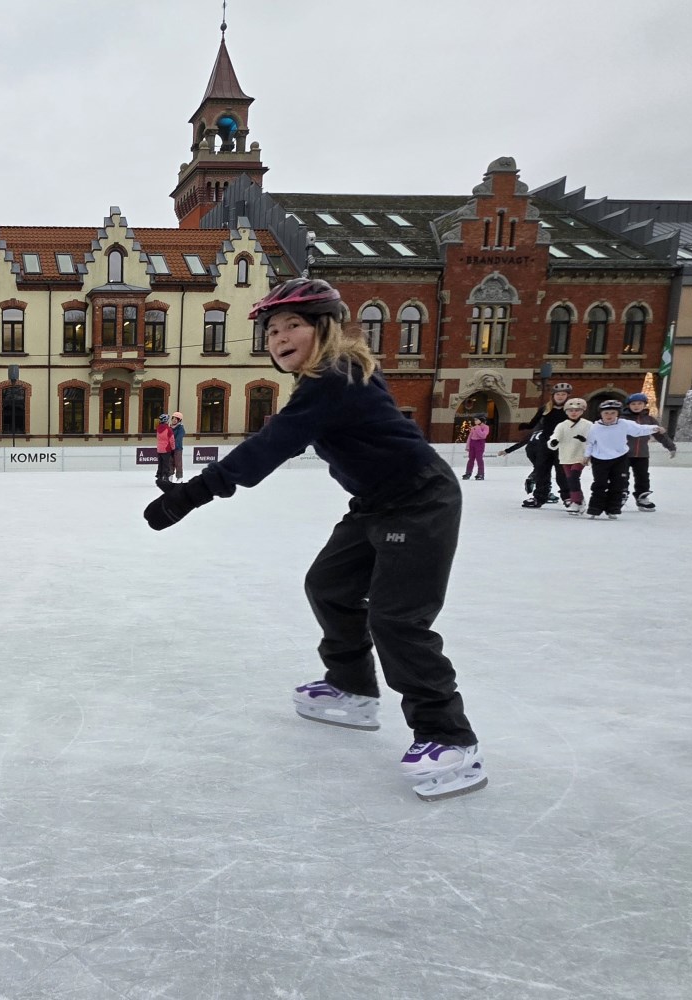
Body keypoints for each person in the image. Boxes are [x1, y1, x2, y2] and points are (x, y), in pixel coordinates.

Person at [143, 278, 485, 802]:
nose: (279, 338)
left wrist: (191, 495)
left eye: (292, 326)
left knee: (397, 619)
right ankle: (352, 687)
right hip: (375, 503)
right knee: (329, 585)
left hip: (420, 502)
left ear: (325, 328)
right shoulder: (330, 376)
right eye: (271, 331)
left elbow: (271, 445)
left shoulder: (335, 376)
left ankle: (450, 739)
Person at [584, 398, 664, 520]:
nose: (609, 416)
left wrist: (655, 428)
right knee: (599, 484)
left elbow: (639, 429)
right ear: (601, 414)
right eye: (606, 413)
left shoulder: (624, 424)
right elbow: (590, 443)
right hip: (600, 459)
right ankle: (595, 509)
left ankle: (613, 509)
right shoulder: (595, 427)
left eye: (613, 413)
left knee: (618, 484)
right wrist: (586, 456)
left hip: (619, 458)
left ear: (618, 414)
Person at [520, 382, 574, 508]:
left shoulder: (571, 410)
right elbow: (534, 422)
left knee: (562, 473)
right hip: (545, 444)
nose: (560, 397)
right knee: (542, 471)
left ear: (568, 396)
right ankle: (539, 497)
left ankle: (568, 497)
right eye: (558, 394)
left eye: (563, 394)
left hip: (563, 445)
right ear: (553, 395)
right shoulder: (545, 409)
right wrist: (526, 426)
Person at [621, 392, 676, 510]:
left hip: (642, 454)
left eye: (639, 403)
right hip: (623, 453)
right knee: (622, 475)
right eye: (633, 404)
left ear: (644, 405)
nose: (636, 406)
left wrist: (670, 447)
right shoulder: (622, 420)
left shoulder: (649, 420)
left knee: (643, 476)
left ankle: (642, 497)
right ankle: (620, 495)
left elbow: (659, 434)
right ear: (628, 405)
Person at [546, 398, 592, 513]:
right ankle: (579, 499)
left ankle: (576, 501)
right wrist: (553, 442)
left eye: (577, 410)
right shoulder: (562, 425)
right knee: (570, 479)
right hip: (566, 456)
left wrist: (584, 440)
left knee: (573, 477)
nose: (574, 412)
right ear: (566, 412)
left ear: (582, 411)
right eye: (570, 410)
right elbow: (555, 437)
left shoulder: (588, 425)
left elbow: (593, 440)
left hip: (581, 456)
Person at [154, 413, 174, 485]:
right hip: (166, 449)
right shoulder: (168, 429)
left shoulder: (158, 429)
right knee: (166, 464)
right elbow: (172, 440)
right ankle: (165, 477)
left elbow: (158, 438)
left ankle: (159, 476)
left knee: (160, 463)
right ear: (166, 421)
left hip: (159, 449)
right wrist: (173, 448)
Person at [170, 411, 186, 480]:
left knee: (178, 463)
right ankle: (170, 476)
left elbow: (178, 439)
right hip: (170, 448)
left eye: (176, 419)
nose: (174, 420)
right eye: (173, 418)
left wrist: (173, 446)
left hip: (177, 448)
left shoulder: (180, 428)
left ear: (179, 420)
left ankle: (179, 477)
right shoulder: (170, 427)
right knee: (170, 463)